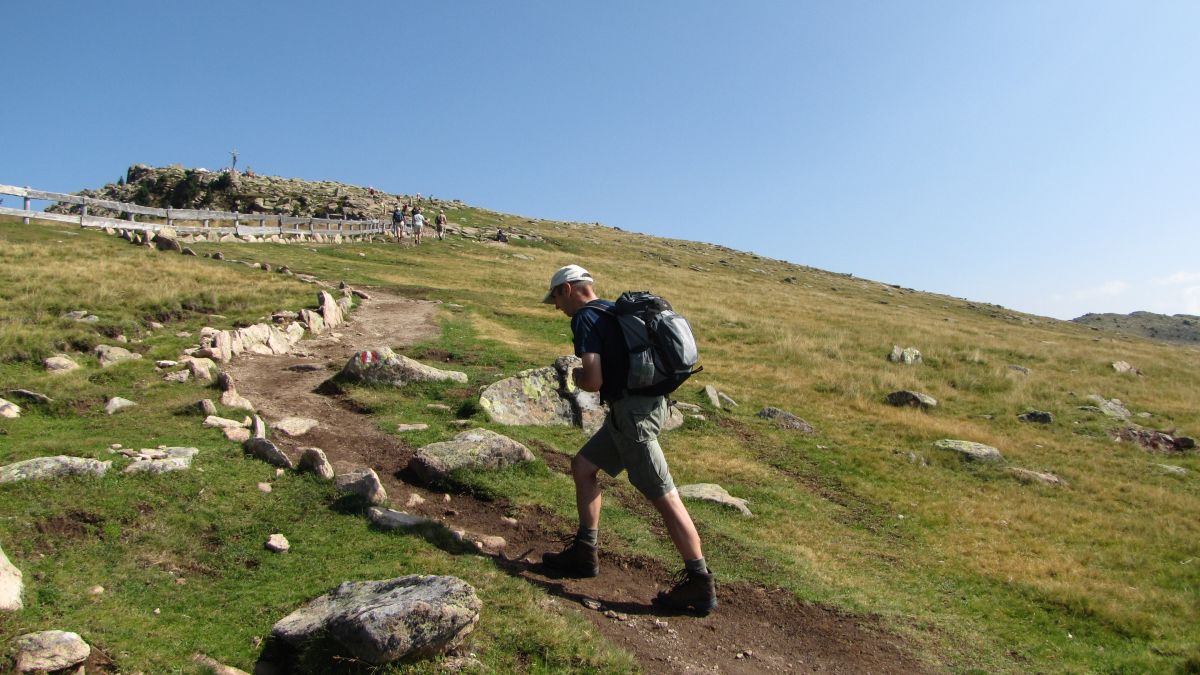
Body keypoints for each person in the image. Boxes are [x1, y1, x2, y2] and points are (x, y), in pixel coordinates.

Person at [540, 265, 717, 614]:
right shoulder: (612, 309)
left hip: (632, 418)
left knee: (665, 496)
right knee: (583, 466)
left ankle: (700, 582)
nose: (557, 307)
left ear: (568, 289)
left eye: (556, 299)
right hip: (642, 409)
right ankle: (584, 552)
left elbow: (592, 380)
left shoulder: (586, 320)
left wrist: (573, 375)